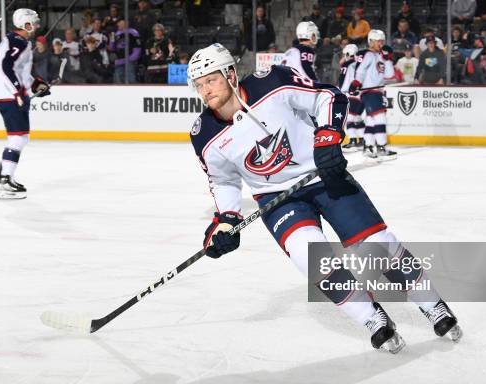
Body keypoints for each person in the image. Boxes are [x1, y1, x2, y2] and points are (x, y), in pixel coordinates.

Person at [186, 43, 462, 353]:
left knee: (377, 246)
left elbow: (328, 96)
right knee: (311, 259)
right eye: (199, 84)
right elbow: (222, 180)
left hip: (322, 174)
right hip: (278, 200)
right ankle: (373, 318)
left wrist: (328, 135)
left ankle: (433, 305)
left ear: (231, 74)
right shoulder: (203, 134)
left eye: (211, 80)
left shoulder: (271, 82)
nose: (205, 90)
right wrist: (225, 222)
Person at [0, 8, 50, 199]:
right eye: (34, 22)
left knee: (21, 137)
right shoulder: (17, 42)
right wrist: (16, 91)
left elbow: (18, 71)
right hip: (7, 94)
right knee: (18, 138)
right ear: (26, 24)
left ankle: (5, 178)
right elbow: (5, 67)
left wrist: (35, 84)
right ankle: (4, 180)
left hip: (8, 93)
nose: (37, 26)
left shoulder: (20, 42)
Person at [352, 30, 397, 158]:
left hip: (377, 91)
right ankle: (381, 147)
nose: (381, 43)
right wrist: (356, 82)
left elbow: (389, 75)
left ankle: (368, 147)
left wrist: (387, 59)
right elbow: (360, 70)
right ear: (371, 41)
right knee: (380, 118)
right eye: (378, 41)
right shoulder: (368, 55)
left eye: (382, 41)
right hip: (369, 91)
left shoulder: (381, 56)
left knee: (371, 121)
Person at [338, 43, 365, 149]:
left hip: (352, 94)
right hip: (361, 96)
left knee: (349, 118)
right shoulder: (360, 64)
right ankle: (362, 139)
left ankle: (353, 140)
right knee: (357, 118)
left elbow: (342, 81)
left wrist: (341, 91)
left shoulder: (347, 64)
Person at [109, 19, 142, 83]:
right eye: (118, 23)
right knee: (119, 80)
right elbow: (111, 48)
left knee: (131, 79)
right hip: (119, 60)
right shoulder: (116, 34)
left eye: (120, 23)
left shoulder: (133, 32)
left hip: (129, 60)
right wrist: (111, 38)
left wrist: (132, 58)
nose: (118, 24)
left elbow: (138, 46)